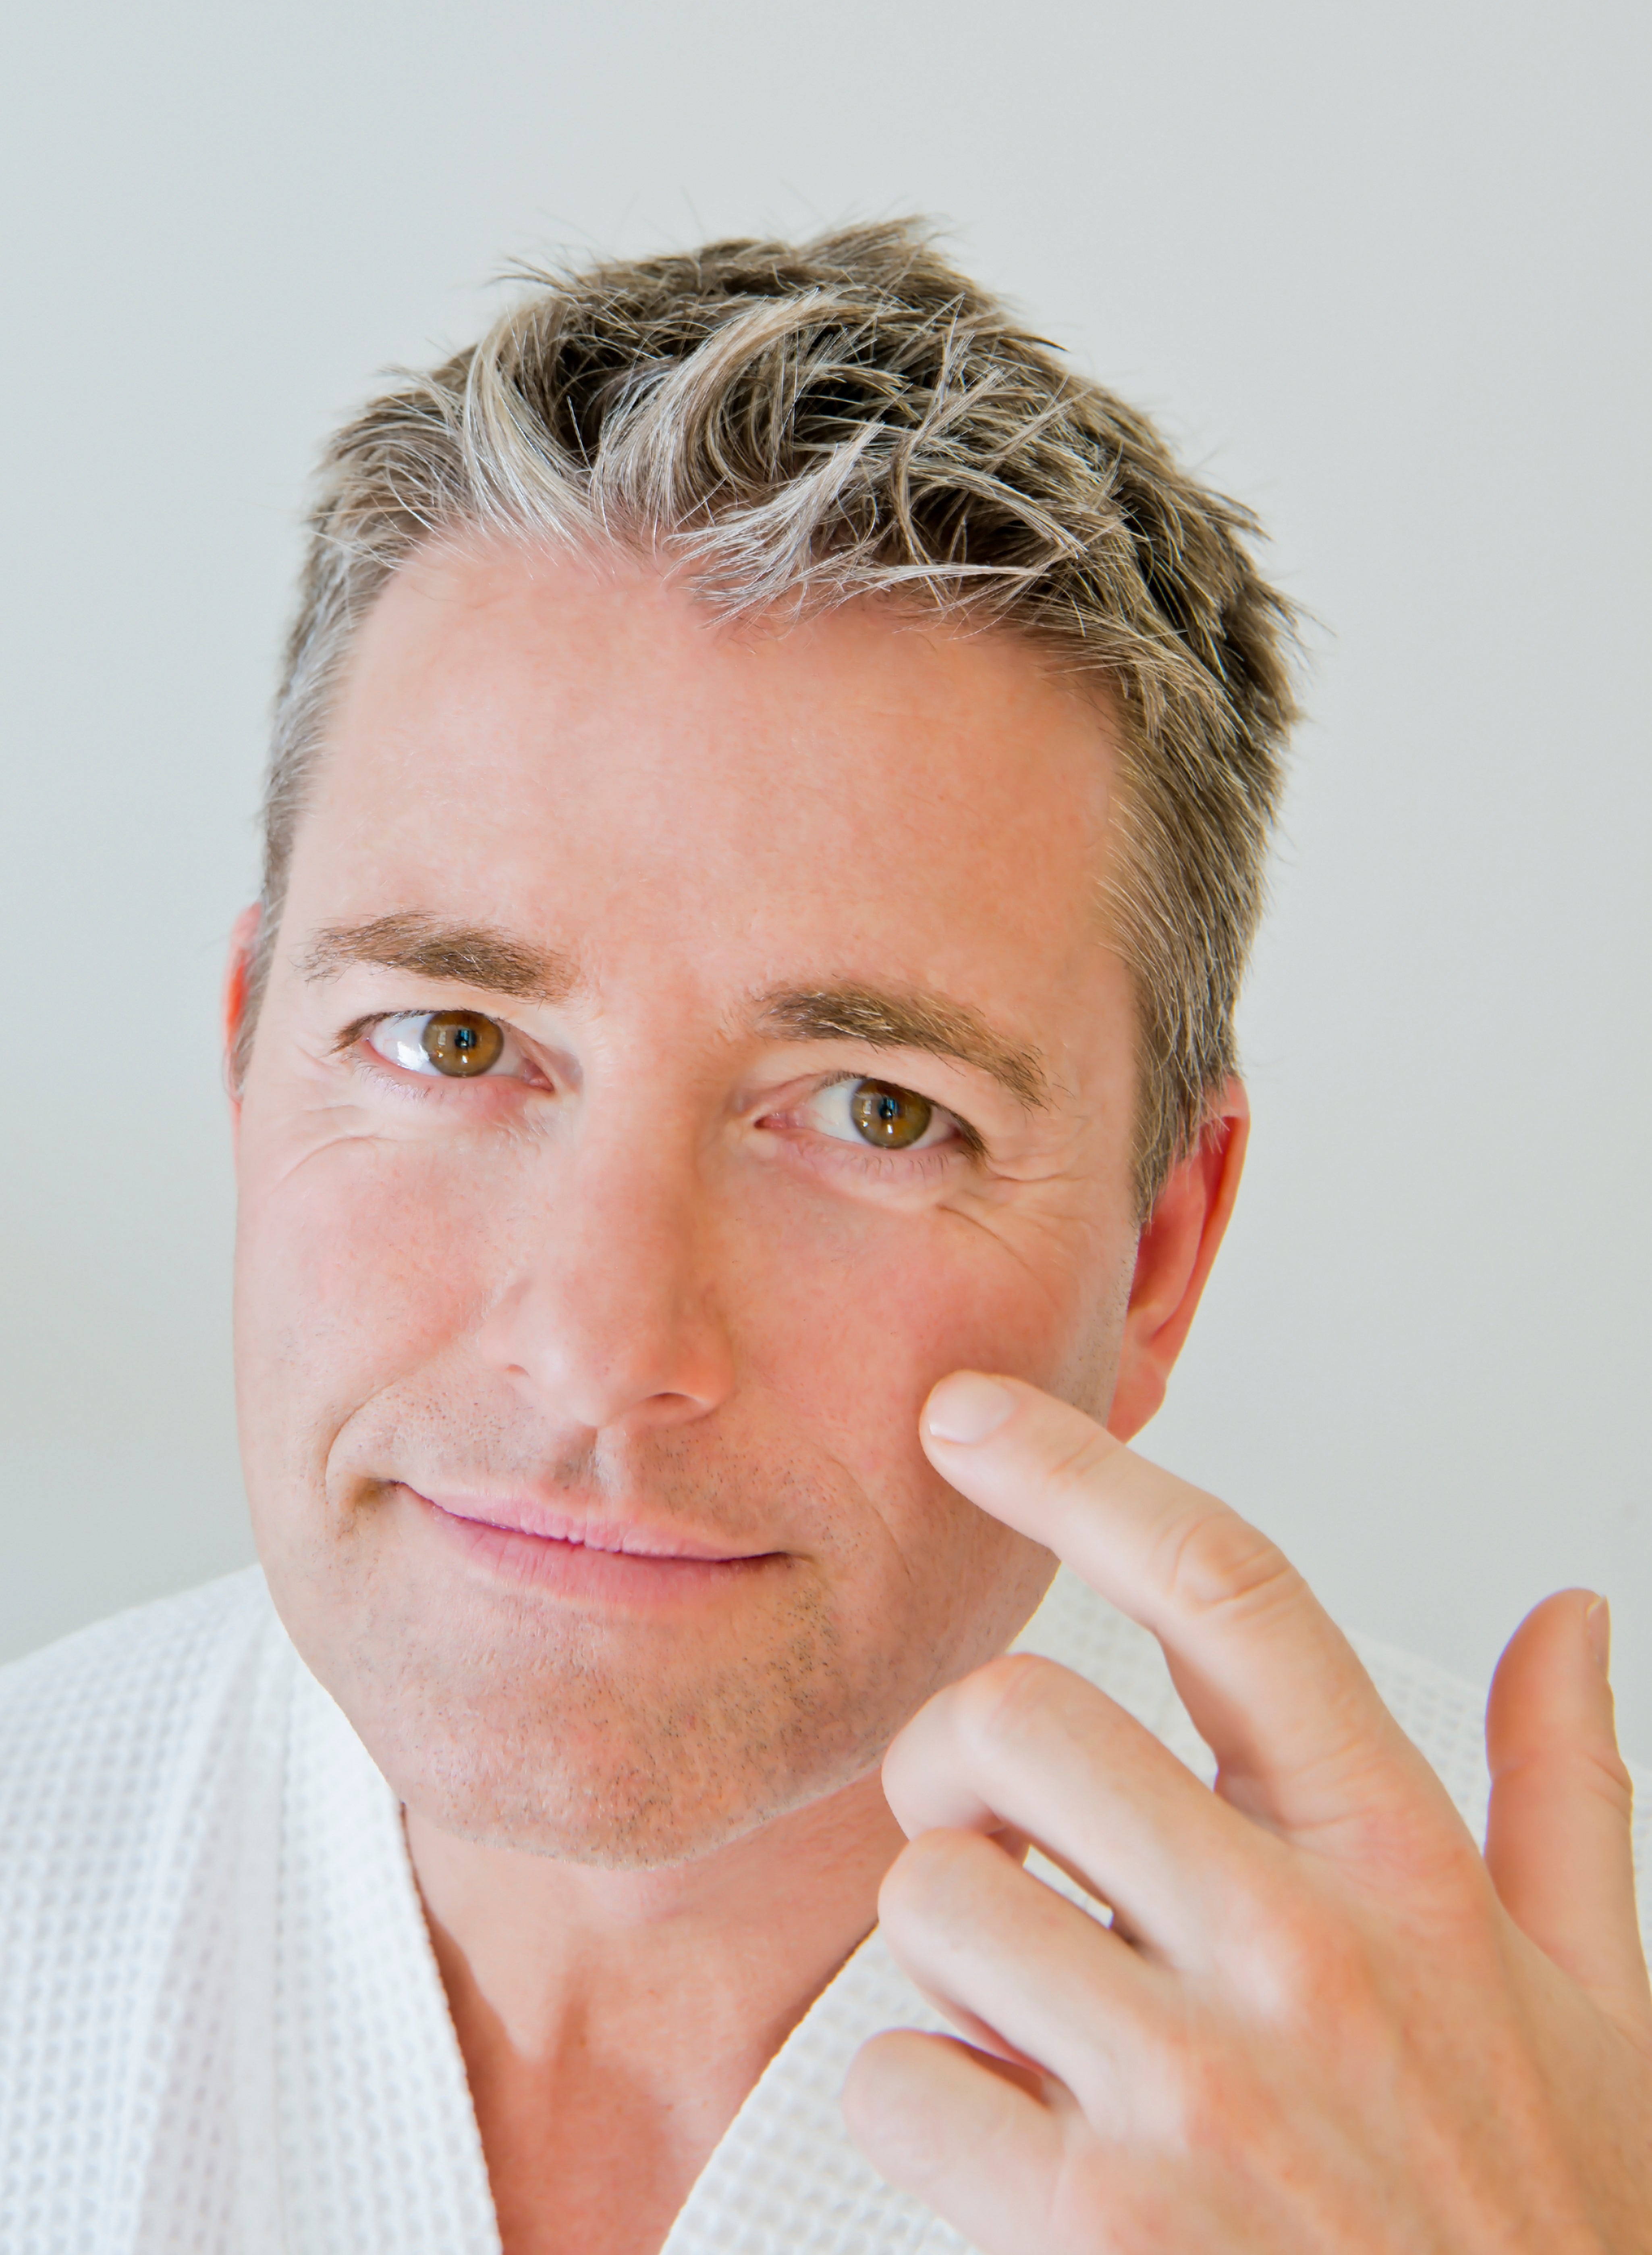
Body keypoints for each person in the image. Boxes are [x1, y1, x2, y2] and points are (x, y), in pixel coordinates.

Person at [1, 222, 1647, 2255]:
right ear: (252, 1071)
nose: (604, 1349)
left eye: (877, 1110)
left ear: (1156, 1252)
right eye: (452, 1039)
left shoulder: (1557, 2095)